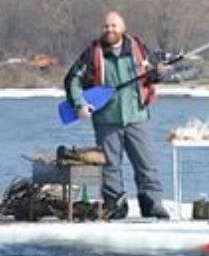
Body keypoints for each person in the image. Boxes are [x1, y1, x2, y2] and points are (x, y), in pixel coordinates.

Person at [64, 11, 170, 219]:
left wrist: (160, 73)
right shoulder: (92, 53)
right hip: (106, 119)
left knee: (146, 164)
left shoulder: (138, 49)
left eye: (114, 26)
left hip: (137, 116)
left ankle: (152, 204)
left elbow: (152, 76)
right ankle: (115, 206)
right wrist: (79, 104)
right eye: (106, 26)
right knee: (110, 167)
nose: (110, 29)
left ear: (122, 27)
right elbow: (72, 79)